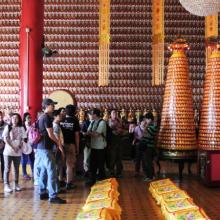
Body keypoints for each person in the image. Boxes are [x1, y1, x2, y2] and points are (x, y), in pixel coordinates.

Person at [37, 98, 66, 204]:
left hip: (41, 147)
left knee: (44, 170)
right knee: (52, 171)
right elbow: (50, 134)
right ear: (46, 106)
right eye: (52, 105)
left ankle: (43, 191)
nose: (54, 107)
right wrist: (58, 143)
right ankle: (53, 196)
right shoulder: (47, 118)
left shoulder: (41, 117)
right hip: (46, 148)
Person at [2, 113, 26, 192]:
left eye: (16, 118)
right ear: (11, 119)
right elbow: (5, 139)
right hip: (8, 152)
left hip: (18, 152)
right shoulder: (8, 127)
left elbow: (23, 139)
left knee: (16, 169)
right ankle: (6, 185)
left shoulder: (21, 128)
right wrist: (13, 147)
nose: (14, 119)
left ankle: (16, 184)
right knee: (7, 168)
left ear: (19, 119)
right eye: (13, 118)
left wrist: (18, 147)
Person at [60, 104, 80, 190]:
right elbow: (77, 135)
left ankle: (60, 180)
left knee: (60, 163)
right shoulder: (74, 120)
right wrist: (77, 147)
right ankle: (69, 183)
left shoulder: (61, 119)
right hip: (71, 144)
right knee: (70, 164)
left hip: (61, 144)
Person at [86, 108, 107, 186]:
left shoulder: (102, 123)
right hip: (93, 146)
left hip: (100, 146)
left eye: (91, 114)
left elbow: (96, 134)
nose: (90, 115)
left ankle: (102, 179)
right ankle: (92, 179)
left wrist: (90, 133)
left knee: (100, 164)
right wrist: (91, 133)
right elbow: (89, 132)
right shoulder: (92, 122)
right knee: (92, 164)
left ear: (95, 115)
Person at [139, 112, 157, 182]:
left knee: (148, 162)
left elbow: (146, 135)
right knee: (148, 162)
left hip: (148, 147)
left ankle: (150, 176)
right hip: (147, 146)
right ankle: (151, 175)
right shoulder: (150, 126)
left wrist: (145, 128)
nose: (145, 121)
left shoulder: (152, 126)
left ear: (149, 119)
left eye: (146, 119)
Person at [108, 110, 124, 177]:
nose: (115, 114)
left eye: (116, 113)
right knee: (112, 157)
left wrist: (120, 130)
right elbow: (110, 127)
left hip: (119, 140)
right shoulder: (109, 120)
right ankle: (111, 171)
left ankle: (119, 172)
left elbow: (122, 128)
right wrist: (116, 126)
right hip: (112, 141)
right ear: (111, 114)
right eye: (113, 113)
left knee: (119, 157)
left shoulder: (120, 120)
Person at [53, 109, 65, 188]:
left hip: (56, 148)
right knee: (58, 166)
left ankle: (58, 183)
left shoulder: (56, 125)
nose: (61, 116)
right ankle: (57, 184)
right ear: (55, 116)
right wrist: (62, 150)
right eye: (59, 115)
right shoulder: (56, 126)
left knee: (58, 165)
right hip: (57, 149)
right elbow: (57, 140)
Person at [21, 112, 35, 180]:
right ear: (25, 118)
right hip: (25, 145)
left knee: (32, 159)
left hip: (31, 144)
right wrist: (27, 129)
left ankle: (33, 172)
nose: (29, 119)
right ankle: (24, 173)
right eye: (28, 118)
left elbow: (34, 134)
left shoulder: (32, 125)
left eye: (30, 117)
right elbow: (23, 136)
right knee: (25, 160)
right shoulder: (22, 126)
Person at [0, 111, 7, 180]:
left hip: (3, 145)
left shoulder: (6, 125)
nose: (0, 117)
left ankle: (3, 177)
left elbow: (6, 135)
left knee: (3, 162)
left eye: (1, 116)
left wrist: (3, 142)